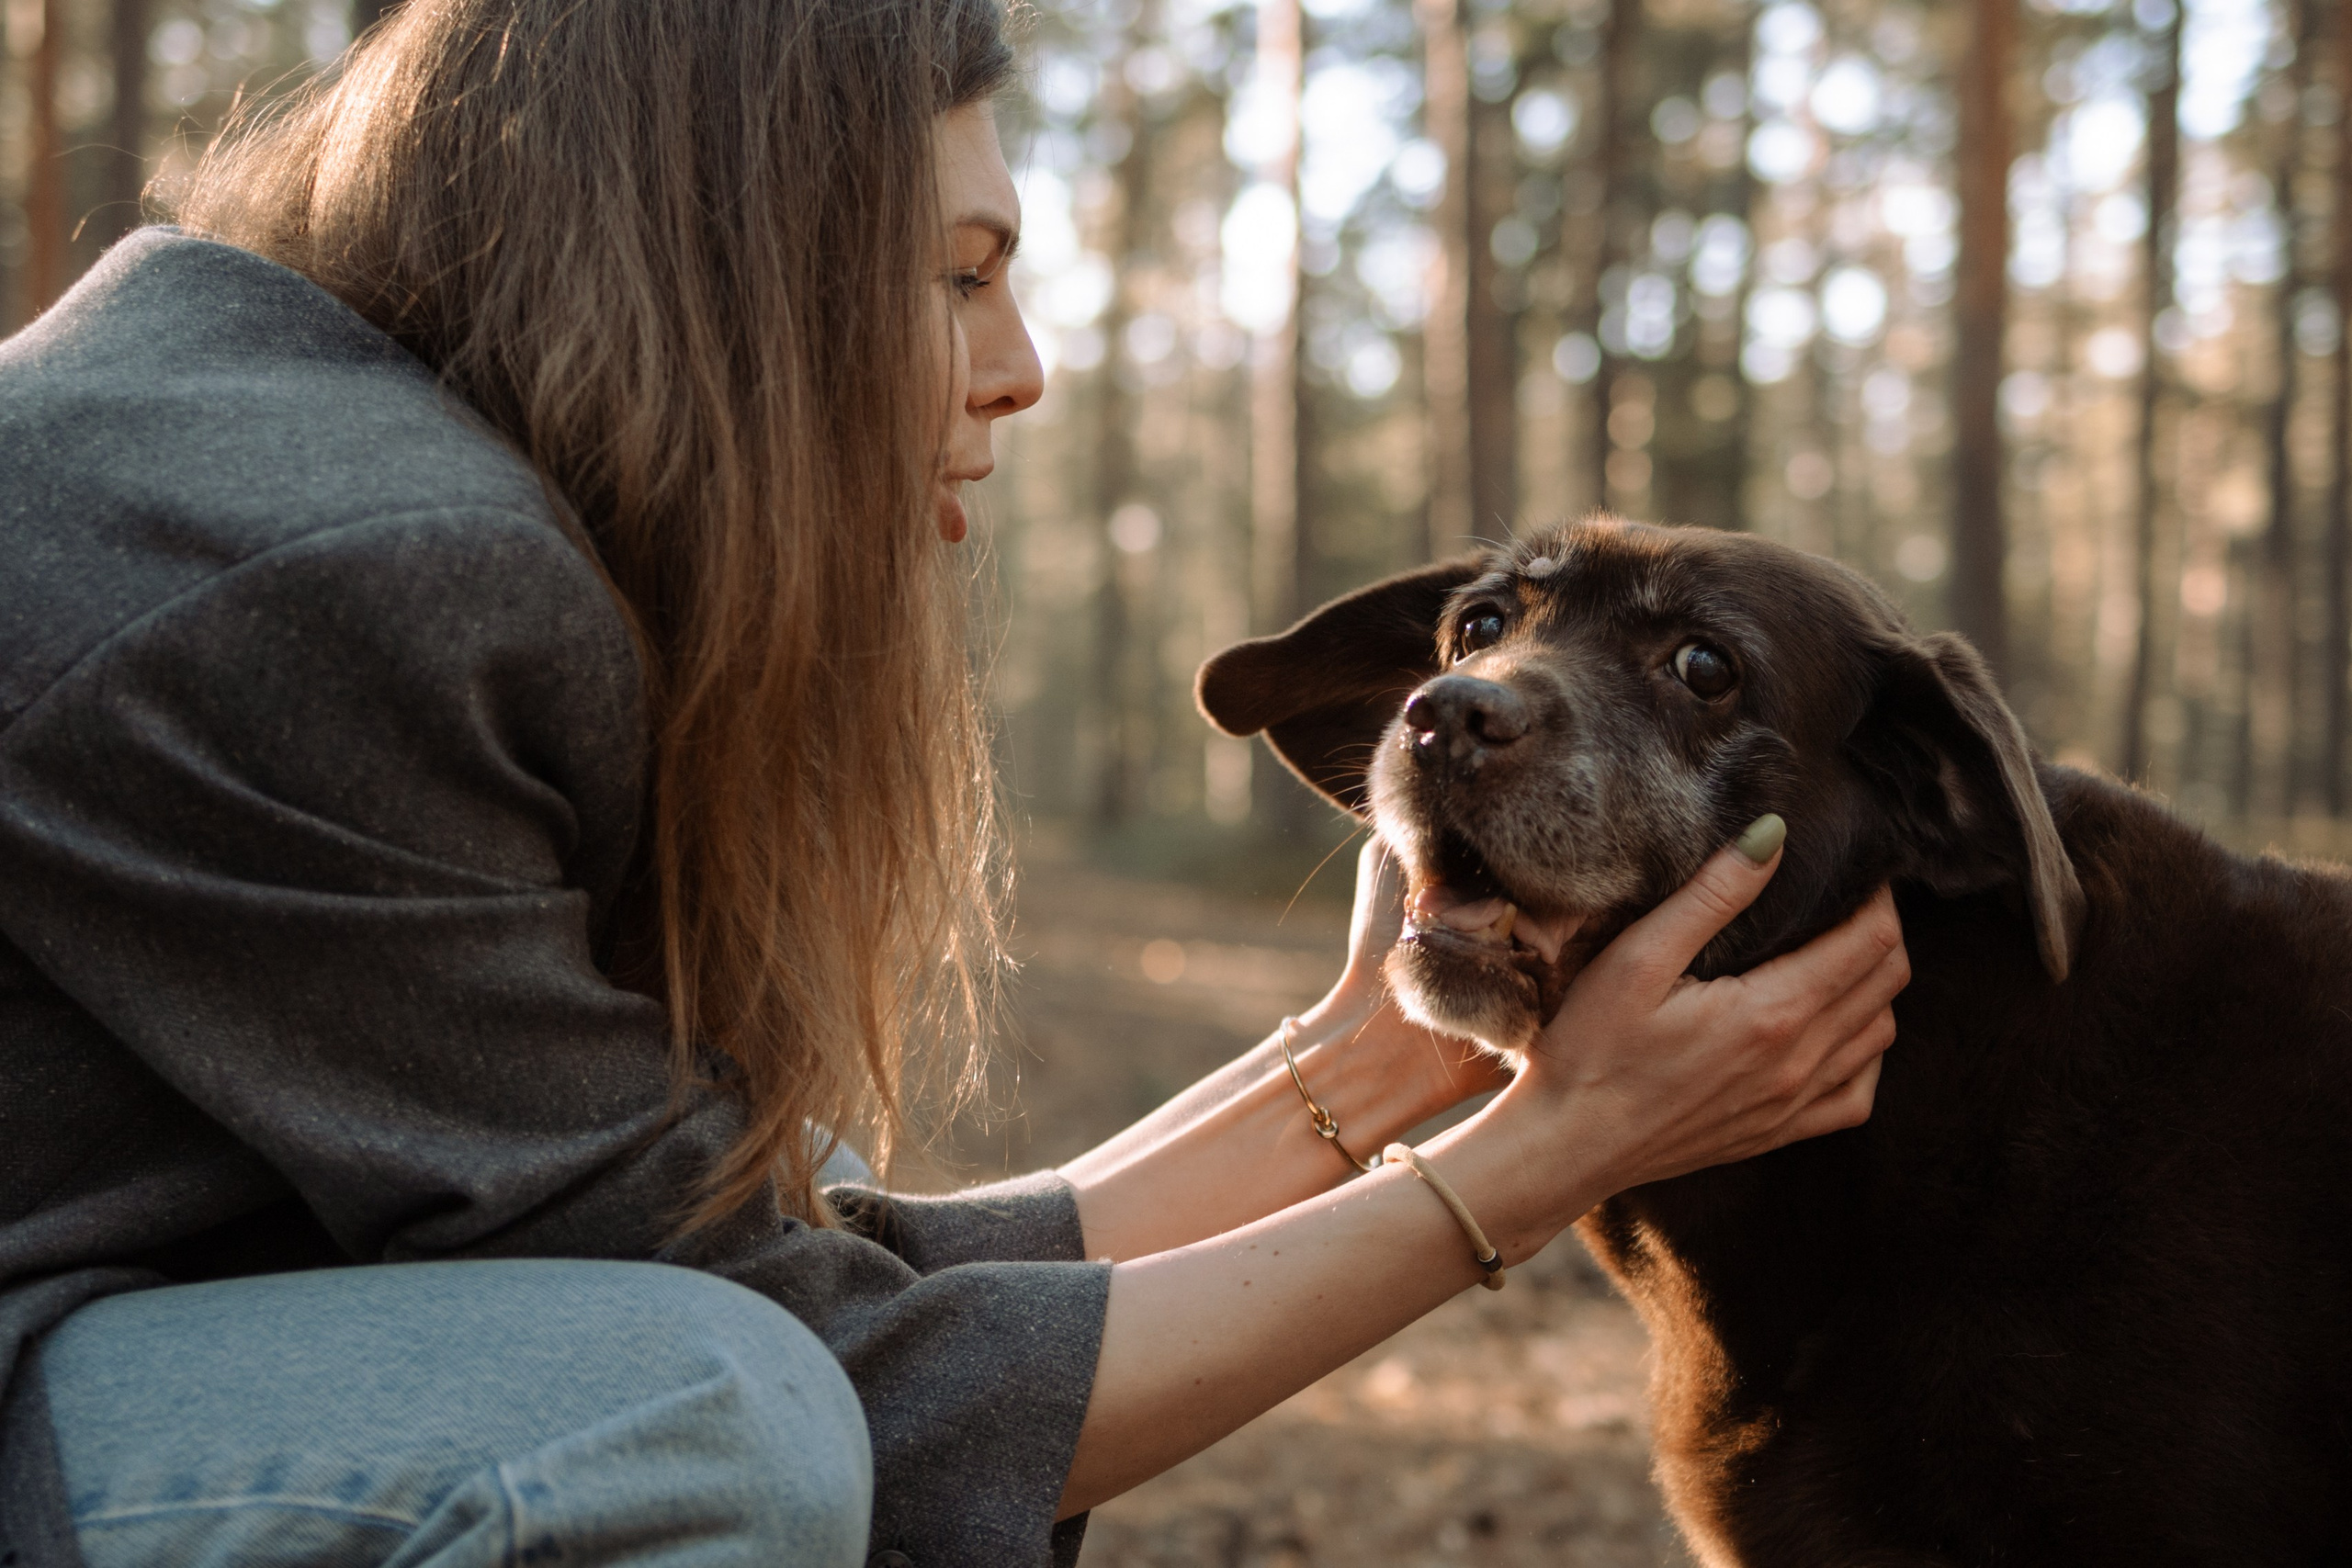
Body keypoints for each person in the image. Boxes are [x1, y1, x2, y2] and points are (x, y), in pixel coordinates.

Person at [0, 0, 1908, 1563]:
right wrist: (1544, 1149)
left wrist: (1363, 1071)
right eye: (958, 274)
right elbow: (836, 1375)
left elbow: (748, 1256)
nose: (1022, 369)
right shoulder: (336, 575)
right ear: (730, 278)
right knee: (701, 1420)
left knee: (770, 1226)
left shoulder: (324, 467)